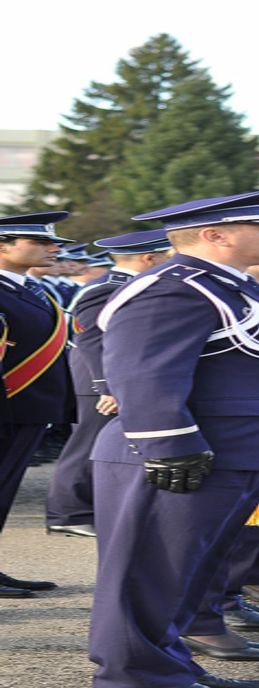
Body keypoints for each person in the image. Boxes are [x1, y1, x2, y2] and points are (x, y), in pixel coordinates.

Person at [88, 187, 259, 688]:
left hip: (231, 453)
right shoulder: (174, 287)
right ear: (215, 235)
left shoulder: (230, 284)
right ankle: (135, 678)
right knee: (148, 578)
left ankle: (168, 668)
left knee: (188, 576)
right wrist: (168, 444)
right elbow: (144, 372)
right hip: (181, 455)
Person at [46, 228, 173, 538]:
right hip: (98, 378)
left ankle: (92, 508)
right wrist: (108, 386)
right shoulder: (106, 288)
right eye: (167, 255)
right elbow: (91, 339)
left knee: (109, 445)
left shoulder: (133, 284)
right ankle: (68, 513)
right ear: (149, 258)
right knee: (86, 444)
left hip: (118, 377)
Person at [0, 212, 76, 598]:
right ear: (3, 246)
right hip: (8, 409)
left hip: (27, 410)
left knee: (4, 492)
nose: (54, 248)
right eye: (40, 241)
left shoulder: (31, 290)